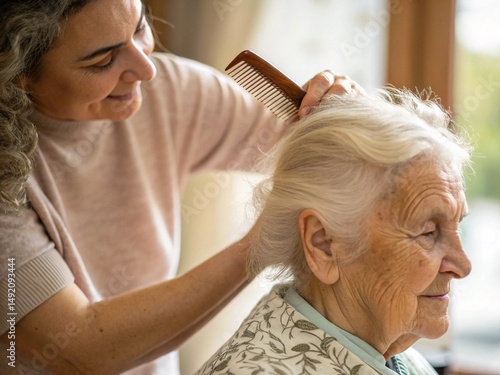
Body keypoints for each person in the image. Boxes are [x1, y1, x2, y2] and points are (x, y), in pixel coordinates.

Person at [0, 0, 365, 374]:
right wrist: (259, 244)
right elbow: (80, 347)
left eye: (139, 28)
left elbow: (308, 143)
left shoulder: (166, 91)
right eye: (102, 61)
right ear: (19, 74)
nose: (146, 68)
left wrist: (341, 112)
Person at [195, 88, 473, 375]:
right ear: (323, 244)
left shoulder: (388, 354)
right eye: (428, 232)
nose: (463, 265)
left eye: (457, 225)